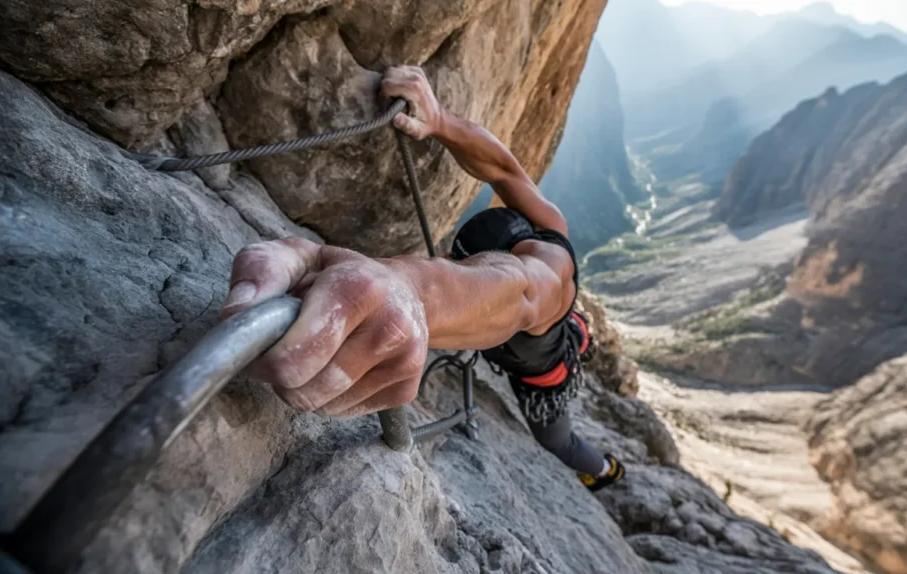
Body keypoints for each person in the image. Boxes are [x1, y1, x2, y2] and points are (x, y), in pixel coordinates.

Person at [219, 65, 624, 492]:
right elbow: (503, 170)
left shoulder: (545, 276)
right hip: (526, 337)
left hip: (544, 375)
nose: (450, 261)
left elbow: (515, 291)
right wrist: (440, 121)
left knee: (555, 440)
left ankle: (602, 470)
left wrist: (406, 293)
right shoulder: (544, 221)